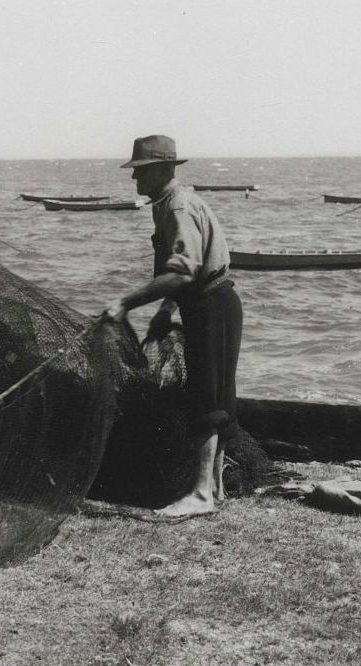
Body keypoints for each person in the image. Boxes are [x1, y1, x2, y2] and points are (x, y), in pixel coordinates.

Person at [103, 135, 242, 518]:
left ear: (165, 169)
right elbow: (181, 268)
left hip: (210, 303)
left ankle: (201, 495)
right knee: (219, 393)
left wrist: (126, 302)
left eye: (141, 171)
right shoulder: (168, 203)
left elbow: (183, 271)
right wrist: (165, 311)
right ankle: (215, 488)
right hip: (214, 302)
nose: (135, 179)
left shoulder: (177, 207)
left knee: (207, 397)